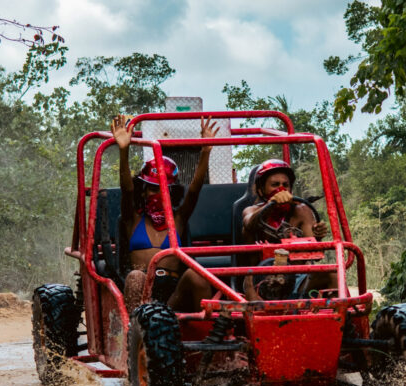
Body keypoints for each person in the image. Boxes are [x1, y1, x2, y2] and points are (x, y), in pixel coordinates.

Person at [110, 115, 218, 312]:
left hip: (173, 294)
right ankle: (135, 335)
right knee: (135, 277)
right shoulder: (132, 219)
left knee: (198, 275)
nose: (158, 194)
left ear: (172, 192)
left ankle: (207, 334)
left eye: (164, 189)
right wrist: (123, 150)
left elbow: (194, 191)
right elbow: (127, 191)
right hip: (143, 292)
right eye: (153, 189)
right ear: (143, 190)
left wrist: (205, 152)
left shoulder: (178, 219)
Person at [240, 159, 331, 299]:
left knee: (332, 273)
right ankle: (261, 315)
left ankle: (346, 316)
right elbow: (249, 224)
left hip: (298, 279)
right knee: (250, 287)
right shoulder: (251, 211)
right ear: (261, 189)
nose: (281, 189)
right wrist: (271, 205)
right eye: (275, 185)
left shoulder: (301, 211)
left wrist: (317, 237)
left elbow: (316, 254)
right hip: (261, 280)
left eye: (285, 185)